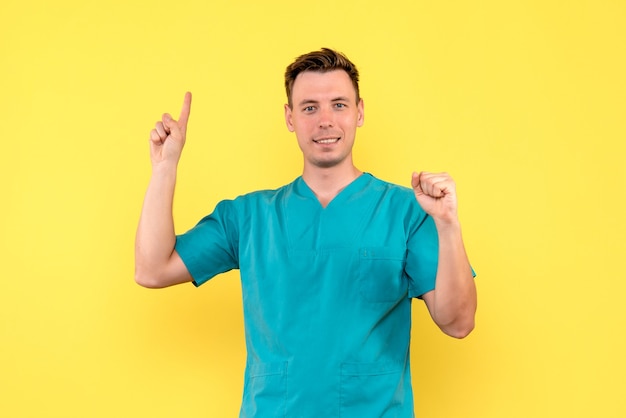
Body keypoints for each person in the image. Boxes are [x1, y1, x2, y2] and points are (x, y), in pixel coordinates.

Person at [135, 48, 477, 417]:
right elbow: (152, 269)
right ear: (290, 117)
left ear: (360, 111)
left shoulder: (408, 211)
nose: (325, 120)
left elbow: (458, 322)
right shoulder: (248, 217)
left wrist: (448, 224)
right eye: (310, 107)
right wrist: (165, 166)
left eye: (339, 105)